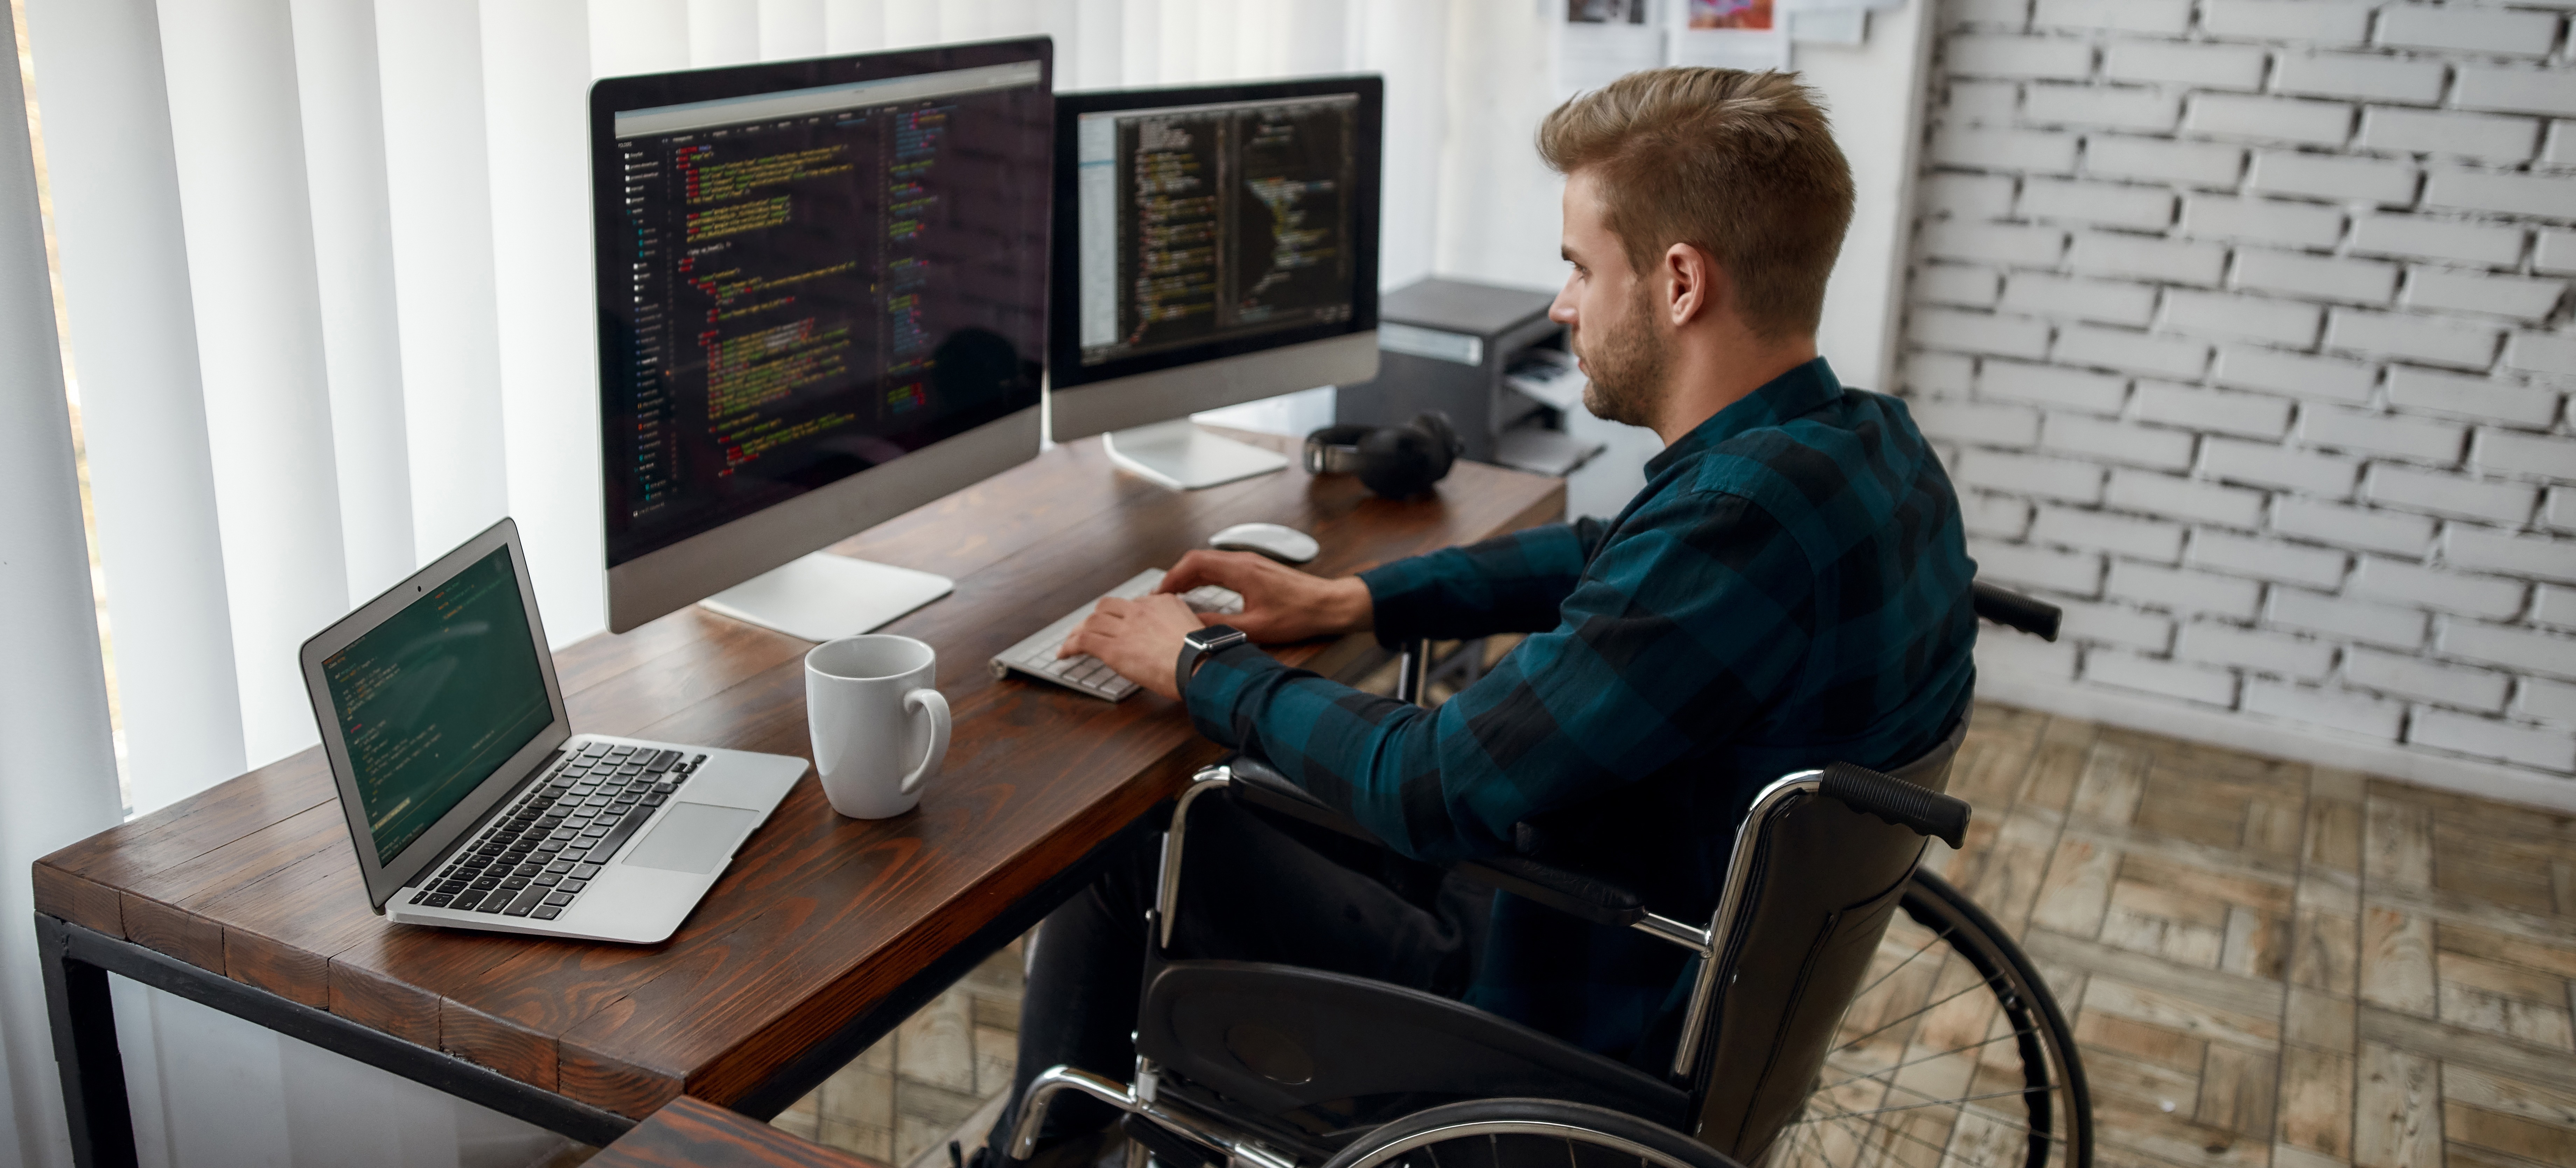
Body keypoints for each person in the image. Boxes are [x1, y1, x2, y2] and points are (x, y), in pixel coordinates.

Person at [996, 66, 1977, 1162]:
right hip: (1676, 962)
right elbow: (1609, 556)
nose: (1562, 305)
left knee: (1146, 837)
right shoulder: (1869, 450)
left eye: (1578, 268)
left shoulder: (1739, 522)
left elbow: (1436, 786)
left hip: (1551, 1016)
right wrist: (1359, 595)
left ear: (1681, 282)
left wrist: (1203, 664)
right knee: (1263, 801)